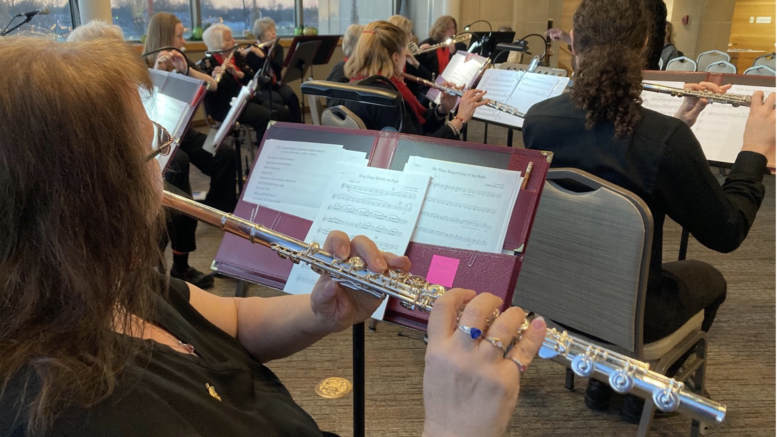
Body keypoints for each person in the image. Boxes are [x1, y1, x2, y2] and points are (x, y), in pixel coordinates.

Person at [0, 37, 547, 437]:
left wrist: (323, 312)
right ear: (77, 201)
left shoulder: (91, 282)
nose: (165, 170)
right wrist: (455, 428)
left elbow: (231, 322)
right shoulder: (77, 413)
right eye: (151, 151)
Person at [522, 0, 775, 423]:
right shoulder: (661, 141)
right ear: (644, 46)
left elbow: (610, 154)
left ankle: (601, 384)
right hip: (635, 315)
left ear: (576, 46)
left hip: (556, 300)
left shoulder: (538, 120)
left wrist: (679, 124)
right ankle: (645, 392)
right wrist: (752, 151)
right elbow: (727, 232)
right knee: (712, 279)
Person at [144, 12, 240, 288]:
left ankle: (217, 212)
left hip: (182, 134)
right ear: (164, 37)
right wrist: (160, 72)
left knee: (225, 153)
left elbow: (211, 85)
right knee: (179, 166)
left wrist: (185, 69)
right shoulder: (142, 65)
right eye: (179, 35)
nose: (183, 40)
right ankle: (180, 264)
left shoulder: (181, 60)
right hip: (158, 139)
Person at [342, 21, 488, 139]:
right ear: (396, 57)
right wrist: (460, 119)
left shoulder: (360, 83)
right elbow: (419, 148)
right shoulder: (387, 96)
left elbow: (415, 127)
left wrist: (442, 110)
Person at [199, 23, 290, 140]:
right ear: (218, 44)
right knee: (266, 117)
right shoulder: (208, 63)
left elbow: (251, 78)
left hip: (245, 99)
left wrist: (238, 74)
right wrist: (219, 78)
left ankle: (282, 146)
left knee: (283, 112)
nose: (234, 41)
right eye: (229, 39)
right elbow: (212, 95)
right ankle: (263, 151)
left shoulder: (237, 56)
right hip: (225, 106)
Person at [547, 0, 666, 71]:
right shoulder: (598, 4)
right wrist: (567, 38)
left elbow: (650, 53)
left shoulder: (652, 5)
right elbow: (595, 43)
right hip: (600, 77)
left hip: (638, 78)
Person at [251, 17, 303, 123]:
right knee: (277, 100)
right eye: (269, 30)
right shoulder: (253, 51)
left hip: (276, 83)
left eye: (273, 29)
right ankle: (280, 128)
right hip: (262, 87)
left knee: (291, 97)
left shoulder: (277, 47)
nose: (273, 33)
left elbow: (278, 66)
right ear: (261, 35)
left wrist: (264, 56)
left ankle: (297, 126)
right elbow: (258, 71)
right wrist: (258, 54)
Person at [387, 14, 433, 98]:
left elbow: (428, 78)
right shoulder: (386, 57)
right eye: (409, 33)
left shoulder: (407, 55)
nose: (411, 37)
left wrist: (415, 63)